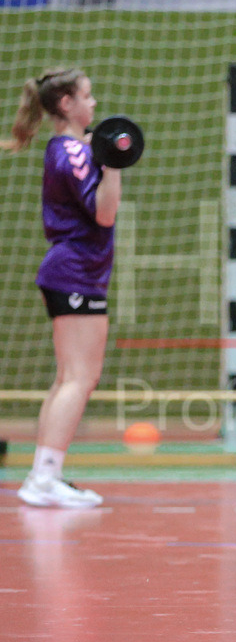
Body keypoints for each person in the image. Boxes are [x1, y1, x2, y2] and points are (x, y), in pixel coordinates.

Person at [2, 68, 122, 507]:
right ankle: (44, 479)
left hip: (75, 272)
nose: (94, 105)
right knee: (80, 378)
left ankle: (43, 473)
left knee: (67, 378)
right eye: (88, 97)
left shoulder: (72, 149)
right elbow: (104, 215)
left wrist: (102, 155)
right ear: (67, 105)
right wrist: (113, 165)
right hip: (75, 272)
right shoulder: (71, 152)